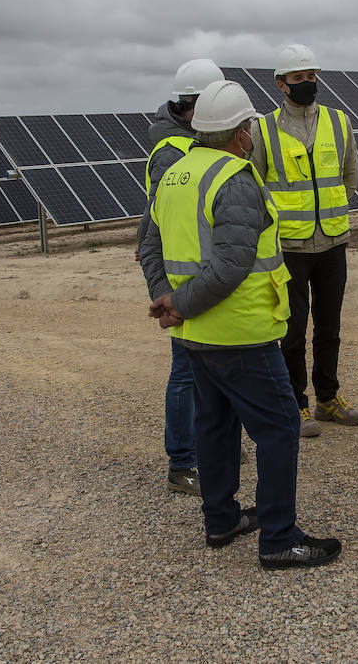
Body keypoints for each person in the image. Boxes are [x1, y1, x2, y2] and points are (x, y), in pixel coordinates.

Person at [139, 79, 342, 569]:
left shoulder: (175, 174)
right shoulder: (235, 179)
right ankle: (279, 539)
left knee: (216, 426)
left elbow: (148, 245)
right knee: (280, 427)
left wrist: (168, 300)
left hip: (196, 337)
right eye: (249, 125)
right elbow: (231, 266)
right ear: (239, 132)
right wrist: (179, 304)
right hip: (240, 332)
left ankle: (221, 519)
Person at [248, 44, 358, 438]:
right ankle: (295, 404)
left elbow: (349, 175)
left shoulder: (338, 121)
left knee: (329, 326)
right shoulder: (263, 129)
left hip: (333, 241)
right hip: (290, 248)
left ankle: (327, 399)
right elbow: (255, 184)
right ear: (281, 84)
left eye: (312, 76)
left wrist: (330, 211)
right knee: (293, 331)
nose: (308, 83)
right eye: (299, 78)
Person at [140, 57, 224, 496]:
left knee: (211, 367)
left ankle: (209, 446)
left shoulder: (193, 142)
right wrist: (164, 293)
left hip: (202, 274)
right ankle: (182, 462)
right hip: (182, 278)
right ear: (195, 107)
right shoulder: (172, 153)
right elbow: (153, 229)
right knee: (187, 371)